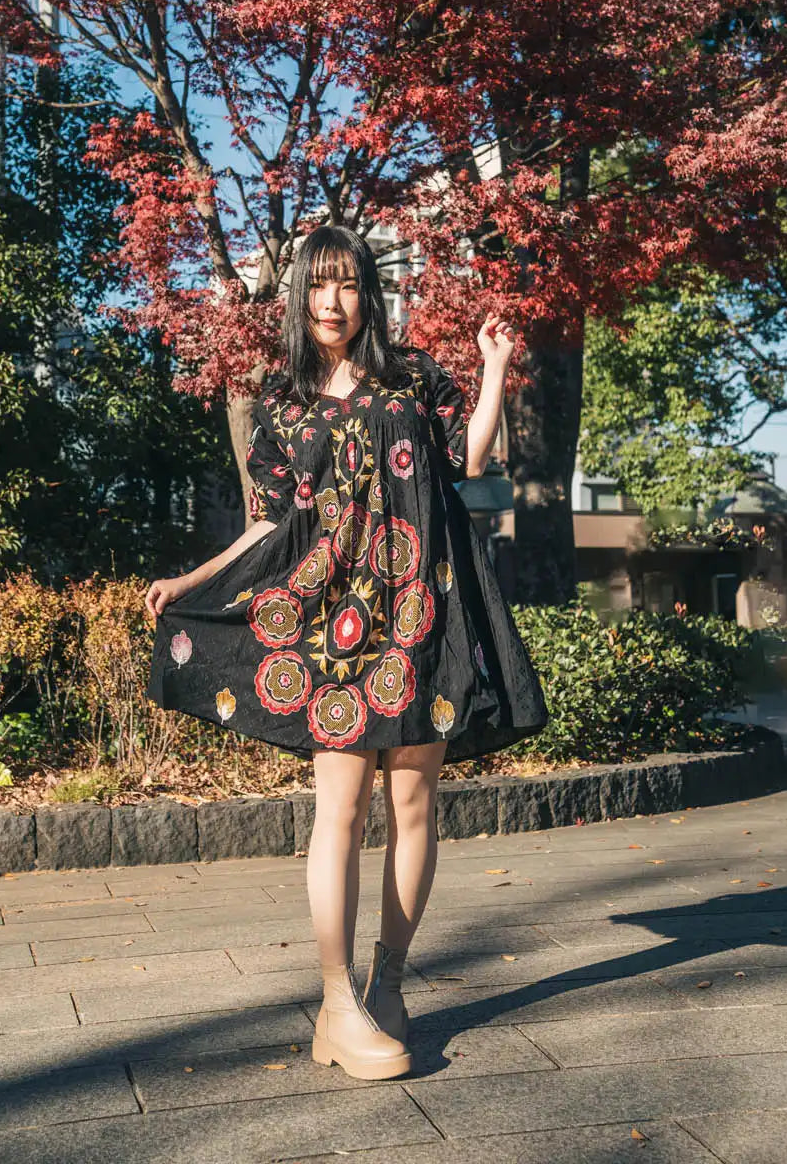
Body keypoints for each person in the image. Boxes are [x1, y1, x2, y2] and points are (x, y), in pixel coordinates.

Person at [145, 225, 547, 1080]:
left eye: (350, 284)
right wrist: (192, 580)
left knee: (414, 806)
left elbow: (465, 466)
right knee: (341, 806)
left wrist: (496, 373)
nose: (334, 301)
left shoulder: (414, 377)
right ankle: (336, 1002)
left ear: (369, 292)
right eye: (319, 285)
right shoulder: (283, 402)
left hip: (419, 610)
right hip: (333, 624)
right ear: (300, 295)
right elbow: (267, 522)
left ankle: (387, 986)